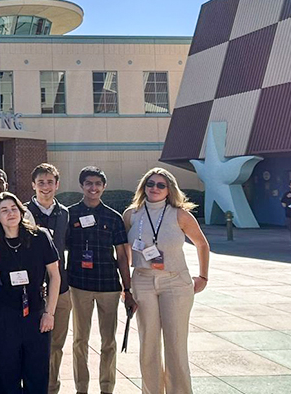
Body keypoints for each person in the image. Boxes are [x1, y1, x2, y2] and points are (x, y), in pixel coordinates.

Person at [122, 168, 210, 394]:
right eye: (150, 183)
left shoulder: (180, 215)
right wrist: (125, 285)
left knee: (175, 344)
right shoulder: (131, 214)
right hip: (142, 281)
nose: (155, 188)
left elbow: (202, 244)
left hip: (175, 282)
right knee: (148, 343)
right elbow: (123, 252)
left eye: (161, 185)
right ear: (143, 186)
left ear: (169, 189)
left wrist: (203, 276)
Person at [66, 166, 134, 394]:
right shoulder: (70, 214)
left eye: (97, 184)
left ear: (104, 187)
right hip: (79, 284)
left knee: (109, 341)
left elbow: (122, 255)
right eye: (89, 183)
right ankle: (81, 388)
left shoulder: (113, 218)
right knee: (80, 340)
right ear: (82, 186)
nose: (93, 188)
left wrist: (128, 288)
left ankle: (107, 387)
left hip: (108, 286)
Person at [0, 192, 60, 394]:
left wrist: (49, 313)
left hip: (36, 311)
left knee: (37, 372)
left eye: (14, 209)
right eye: (4, 210)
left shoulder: (40, 237)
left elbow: (54, 276)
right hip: (6, 313)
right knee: (7, 371)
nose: (10, 213)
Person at [24, 163, 71, 394]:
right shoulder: (22, 213)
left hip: (60, 289)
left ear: (57, 184)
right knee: (30, 344)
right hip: (30, 291)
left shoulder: (65, 213)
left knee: (56, 345)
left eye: (50, 182)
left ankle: (51, 388)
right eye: (40, 182)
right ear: (33, 185)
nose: (45, 187)